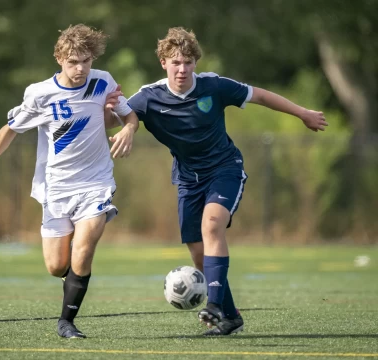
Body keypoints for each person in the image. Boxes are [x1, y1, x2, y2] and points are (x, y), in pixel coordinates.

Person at [105, 27, 327, 336]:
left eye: (188, 62)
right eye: (175, 62)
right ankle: (231, 315)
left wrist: (302, 113)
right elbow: (119, 118)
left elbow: (259, 95)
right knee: (198, 253)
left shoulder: (214, 86)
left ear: (195, 63)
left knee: (212, 227)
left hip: (225, 169)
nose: (182, 69)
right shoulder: (148, 97)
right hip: (186, 179)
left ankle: (213, 307)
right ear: (163, 63)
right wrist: (116, 116)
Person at [0, 24, 139, 339]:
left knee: (85, 246)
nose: (81, 68)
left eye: (86, 61)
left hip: (95, 183)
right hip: (56, 188)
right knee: (56, 266)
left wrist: (128, 129)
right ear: (59, 58)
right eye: (74, 61)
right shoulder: (39, 94)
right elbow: (10, 129)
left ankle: (66, 323)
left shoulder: (102, 82)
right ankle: (73, 275)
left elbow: (129, 116)